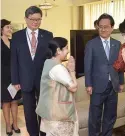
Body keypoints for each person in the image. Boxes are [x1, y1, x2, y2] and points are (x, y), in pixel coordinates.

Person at [11, 6, 53, 136]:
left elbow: (50, 59)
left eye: (39, 19)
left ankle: (43, 132)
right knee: (29, 111)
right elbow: (14, 60)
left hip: (43, 79)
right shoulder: (16, 37)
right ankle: (33, 133)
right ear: (26, 19)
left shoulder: (47, 35)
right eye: (33, 19)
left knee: (44, 109)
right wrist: (15, 80)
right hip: (25, 79)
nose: (36, 22)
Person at [84, 13, 124, 136]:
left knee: (110, 115)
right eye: (100, 26)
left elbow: (120, 65)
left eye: (106, 27)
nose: (103, 29)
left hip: (113, 84)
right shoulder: (91, 44)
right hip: (97, 86)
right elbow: (87, 66)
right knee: (95, 116)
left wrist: (121, 81)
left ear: (112, 27)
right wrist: (88, 84)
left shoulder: (117, 44)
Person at [36, 37, 79, 136]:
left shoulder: (48, 62)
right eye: (66, 48)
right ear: (59, 50)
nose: (68, 51)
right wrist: (72, 70)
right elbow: (74, 87)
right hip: (58, 112)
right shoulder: (57, 68)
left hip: (49, 109)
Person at [1, 19, 21, 136]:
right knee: (6, 102)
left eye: (10, 27)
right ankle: (8, 125)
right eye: (7, 27)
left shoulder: (14, 42)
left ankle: (15, 124)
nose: (10, 29)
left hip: (15, 76)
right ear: (1, 29)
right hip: (3, 77)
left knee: (15, 101)